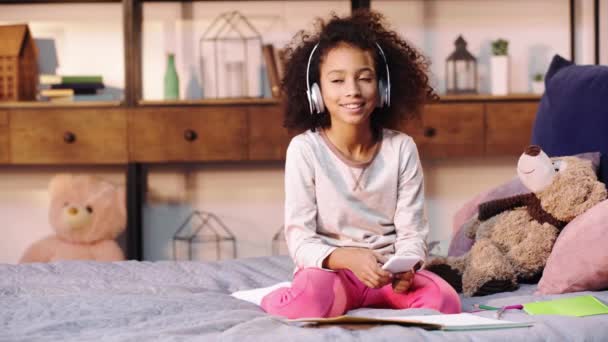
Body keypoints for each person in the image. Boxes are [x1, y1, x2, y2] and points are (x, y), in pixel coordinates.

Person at [261, 10, 461, 319]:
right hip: (332, 273)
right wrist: (345, 258)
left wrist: (407, 265)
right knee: (308, 303)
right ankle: (277, 298)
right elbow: (300, 239)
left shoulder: (401, 148)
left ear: (382, 88)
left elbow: (412, 233)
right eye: (337, 80)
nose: (352, 90)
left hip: (387, 277)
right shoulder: (305, 150)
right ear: (316, 92)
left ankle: (363, 302)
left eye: (364, 78)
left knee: (445, 302)